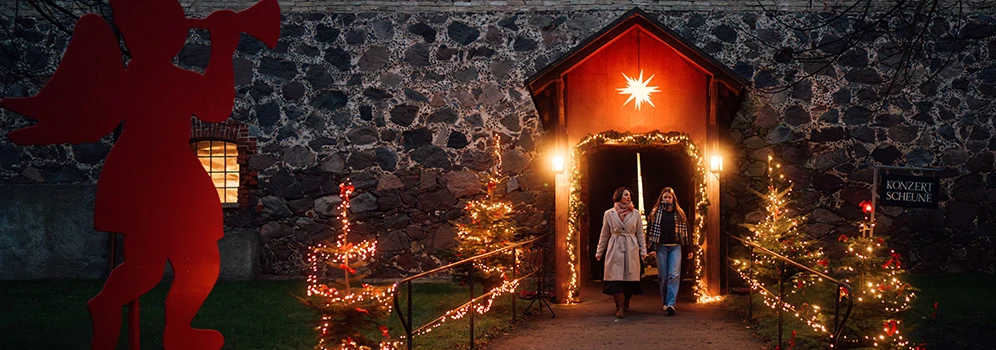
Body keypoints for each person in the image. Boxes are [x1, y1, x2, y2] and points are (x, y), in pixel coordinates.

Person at [595, 187, 648, 318]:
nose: (628, 197)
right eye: (625, 195)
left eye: (629, 195)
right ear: (618, 196)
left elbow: (640, 233)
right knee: (616, 277)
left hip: (630, 246)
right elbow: (604, 233)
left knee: (629, 278)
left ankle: (626, 302)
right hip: (615, 245)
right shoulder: (609, 213)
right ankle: (619, 307)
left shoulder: (635, 213)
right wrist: (599, 251)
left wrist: (643, 250)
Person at [646, 186, 689, 316]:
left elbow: (687, 231)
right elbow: (649, 231)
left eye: (669, 197)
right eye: (665, 197)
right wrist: (651, 248)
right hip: (661, 247)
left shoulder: (679, 213)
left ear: (673, 199)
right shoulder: (655, 213)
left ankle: (671, 303)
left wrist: (689, 248)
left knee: (674, 274)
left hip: (675, 246)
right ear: (661, 198)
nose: (667, 199)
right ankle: (665, 301)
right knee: (663, 277)